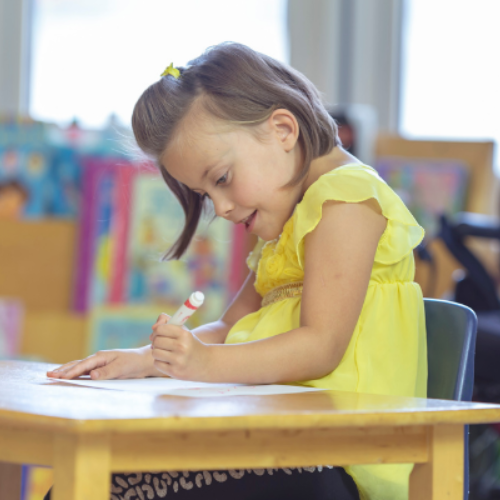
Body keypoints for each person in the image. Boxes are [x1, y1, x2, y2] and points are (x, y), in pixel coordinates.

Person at [45, 42, 427, 500]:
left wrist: (202, 364)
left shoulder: (345, 199)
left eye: (221, 179)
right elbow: (230, 326)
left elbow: (321, 346)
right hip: (281, 443)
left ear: (282, 129)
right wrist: (149, 358)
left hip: (335, 457)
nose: (221, 208)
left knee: (108, 487)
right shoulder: (287, 225)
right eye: (205, 194)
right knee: (93, 480)